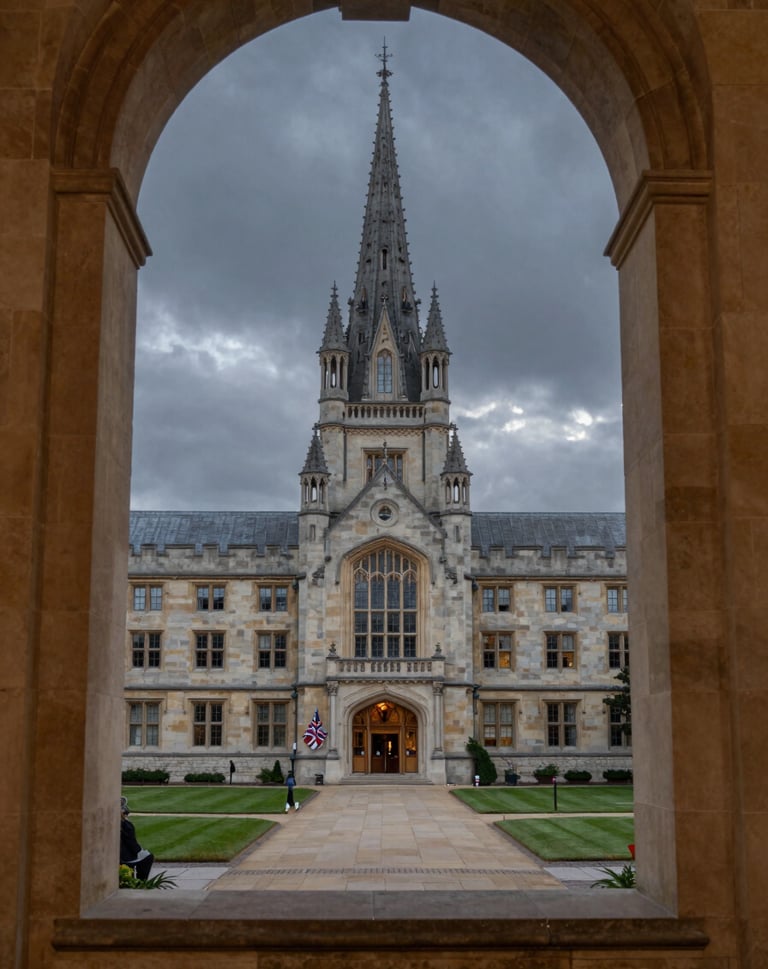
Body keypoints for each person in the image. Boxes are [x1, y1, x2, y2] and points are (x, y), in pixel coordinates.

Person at [120, 796, 154, 880]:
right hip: (125, 857)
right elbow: (131, 843)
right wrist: (140, 851)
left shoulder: (124, 824)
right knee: (148, 858)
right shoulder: (125, 825)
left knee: (146, 856)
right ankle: (141, 882)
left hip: (124, 854)